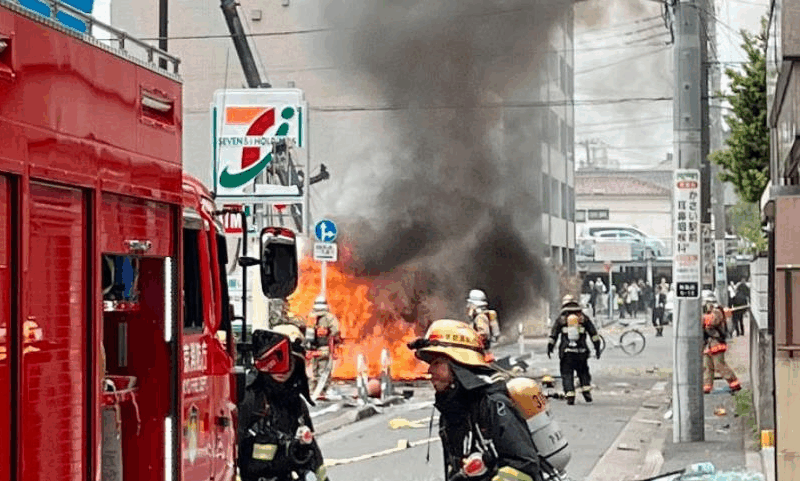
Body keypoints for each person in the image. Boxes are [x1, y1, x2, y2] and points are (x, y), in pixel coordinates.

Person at [407, 319, 556, 481]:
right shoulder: (451, 409)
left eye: (437, 363)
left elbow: (525, 467)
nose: (430, 370)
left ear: (458, 364)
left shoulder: (493, 404)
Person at [238, 325, 329, 481]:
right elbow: (231, 452)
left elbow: (313, 452)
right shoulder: (251, 399)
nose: (284, 371)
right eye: (279, 362)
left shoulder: (296, 403)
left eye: (290, 364)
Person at [547, 295, 602, 405]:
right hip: (582, 352)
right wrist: (597, 349)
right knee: (583, 372)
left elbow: (553, 335)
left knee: (567, 374)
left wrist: (550, 349)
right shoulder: (583, 318)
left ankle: (570, 397)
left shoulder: (561, 319)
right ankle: (587, 393)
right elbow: (594, 335)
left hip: (566, 353)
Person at [702, 297, 742, 394]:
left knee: (719, 366)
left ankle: (734, 383)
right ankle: (707, 387)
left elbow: (711, 321)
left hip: (716, 343)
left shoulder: (717, 312)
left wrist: (701, 319)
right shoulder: (707, 314)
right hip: (708, 345)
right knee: (707, 367)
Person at [306, 294, 342, 391]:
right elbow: (309, 335)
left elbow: (334, 335)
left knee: (323, 372)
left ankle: (323, 390)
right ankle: (316, 391)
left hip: (324, 348)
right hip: (315, 348)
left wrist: (332, 351)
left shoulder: (330, 318)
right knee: (315, 372)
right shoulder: (313, 317)